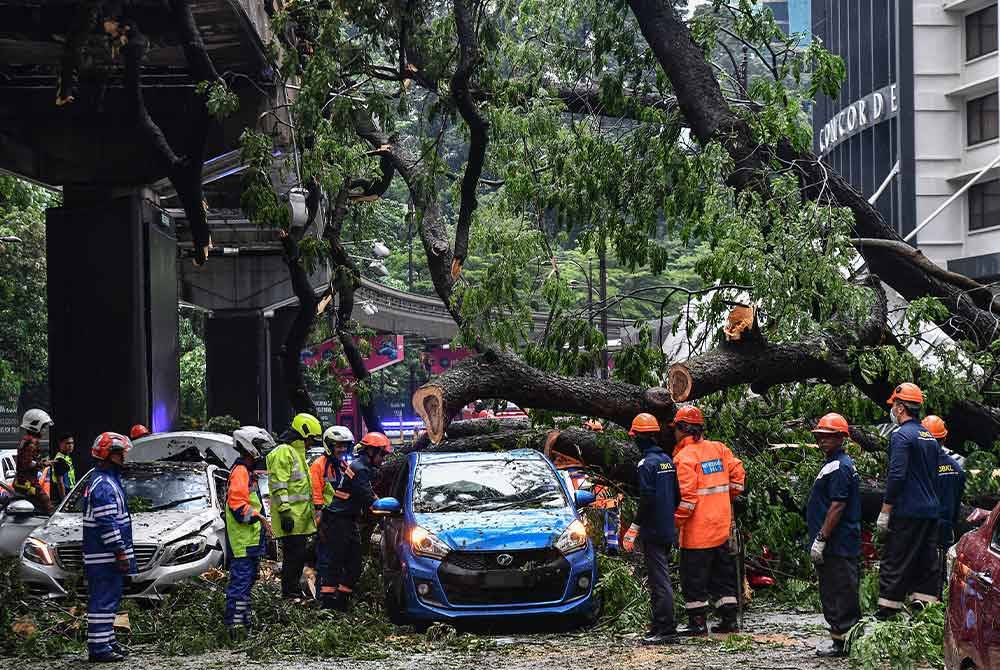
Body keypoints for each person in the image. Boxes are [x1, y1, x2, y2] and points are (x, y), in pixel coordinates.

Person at [671, 405, 745, 635]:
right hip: (721, 526)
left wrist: (675, 523)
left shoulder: (684, 457)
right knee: (723, 577)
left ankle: (698, 623)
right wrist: (726, 497)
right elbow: (738, 477)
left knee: (694, 579)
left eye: (676, 428)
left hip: (697, 532)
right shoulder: (719, 449)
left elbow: (688, 498)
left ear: (683, 429)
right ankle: (729, 620)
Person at [877, 383, 942, 619]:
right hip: (930, 510)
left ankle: (887, 611)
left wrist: (885, 510)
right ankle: (924, 611)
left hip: (909, 510)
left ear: (901, 407)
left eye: (894, 405)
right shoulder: (929, 437)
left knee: (895, 558)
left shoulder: (901, 436)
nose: (892, 410)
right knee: (926, 563)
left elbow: (896, 475)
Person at [621, 413, 680, 645]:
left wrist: (635, 526)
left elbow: (646, 498)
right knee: (659, 577)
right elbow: (677, 496)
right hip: (667, 527)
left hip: (654, 530)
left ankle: (666, 629)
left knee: (659, 580)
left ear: (640, 438)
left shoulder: (646, 464)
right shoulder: (667, 460)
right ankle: (658, 624)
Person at [806, 413, 862, 658]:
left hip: (837, 543)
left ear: (841, 438)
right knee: (834, 589)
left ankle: (843, 642)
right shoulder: (834, 463)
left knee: (839, 590)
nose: (822, 441)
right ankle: (841, 639)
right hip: (836, 542)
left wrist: (821, 538)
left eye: (828, 437)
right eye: (820, 436)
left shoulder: (840, 465)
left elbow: (838, 505)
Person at [322, 431, 393, 611]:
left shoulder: (363, 467)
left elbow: (369, 494)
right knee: (337, 562)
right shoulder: (360, 469)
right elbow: (369, 498)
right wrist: (387, 514)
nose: (383, 459)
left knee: (354, 563)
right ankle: (329, 605)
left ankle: (342, 600)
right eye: (382, 454)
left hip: (347, 520)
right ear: (371, 452)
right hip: (339, 521)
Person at [83, 432, 135, 663]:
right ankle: (99, 648)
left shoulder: (106, 480)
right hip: (104, 556)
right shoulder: (103, 485)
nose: (124, 457)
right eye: (120, 453)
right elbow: (107, 523)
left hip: (103, 555)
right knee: (103, 600)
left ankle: (107, 640)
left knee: (109, 598)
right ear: (109, 455)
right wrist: (120, 551)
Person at [224, 427, 274, 637]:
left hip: (250, 541)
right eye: (259, 446)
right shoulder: (240, 472)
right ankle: (235, 627)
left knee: (247, 582)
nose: (261, 451)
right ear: (249, 445)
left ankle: (242, 622)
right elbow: (238, 508)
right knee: (240, 584)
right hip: (242, 542)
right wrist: (260, 518)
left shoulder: (247, 471)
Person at [266, 412, 321, 600]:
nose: (311, 443)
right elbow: (278, 485)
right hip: (291, 519)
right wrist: (285, 513)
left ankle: (293, 591)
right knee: (293, 558)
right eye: (311, 439)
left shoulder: (297, 454)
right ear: (302, 435)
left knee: (297, 558)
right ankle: (290, 593)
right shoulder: (284, 452)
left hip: (299, 520)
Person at [922, 415, 966, 596]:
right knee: (940, 573)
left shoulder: (923, 467)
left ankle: (922, 604)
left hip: (925, 527)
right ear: (944, 438)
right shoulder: (956, 468)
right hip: (946, 526)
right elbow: (956, 502)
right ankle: (936, 600)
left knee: (923, 572)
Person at [312, 425, 355, 607]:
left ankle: (336, 596)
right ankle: (323, 599)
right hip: (327, 520)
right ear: (330, 445)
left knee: (340, 559)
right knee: (326, 560)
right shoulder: (319, 465)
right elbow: (316, 493)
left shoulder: (343, 465)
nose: (342, 449)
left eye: (345, 446)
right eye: (339, 446)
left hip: (341, 520)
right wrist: (320, 520)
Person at [14, 409, 54, 514]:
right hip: (29, 483)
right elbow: (27, 463)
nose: (45, 430)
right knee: (48, 508)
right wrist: (43, 464)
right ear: (36, 425)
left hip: (23, 482)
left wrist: (41, 461)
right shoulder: (32, 442)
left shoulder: (25, 440)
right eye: (43, 427)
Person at [41, 433, 77, 507]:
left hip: (69, 494)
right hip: (64, 497)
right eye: (67, 443)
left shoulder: (67, 458)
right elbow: (60, 483)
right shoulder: (60, 460)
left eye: (72, 443)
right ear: (61, 444)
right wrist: (64, 501)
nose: (70, 445)